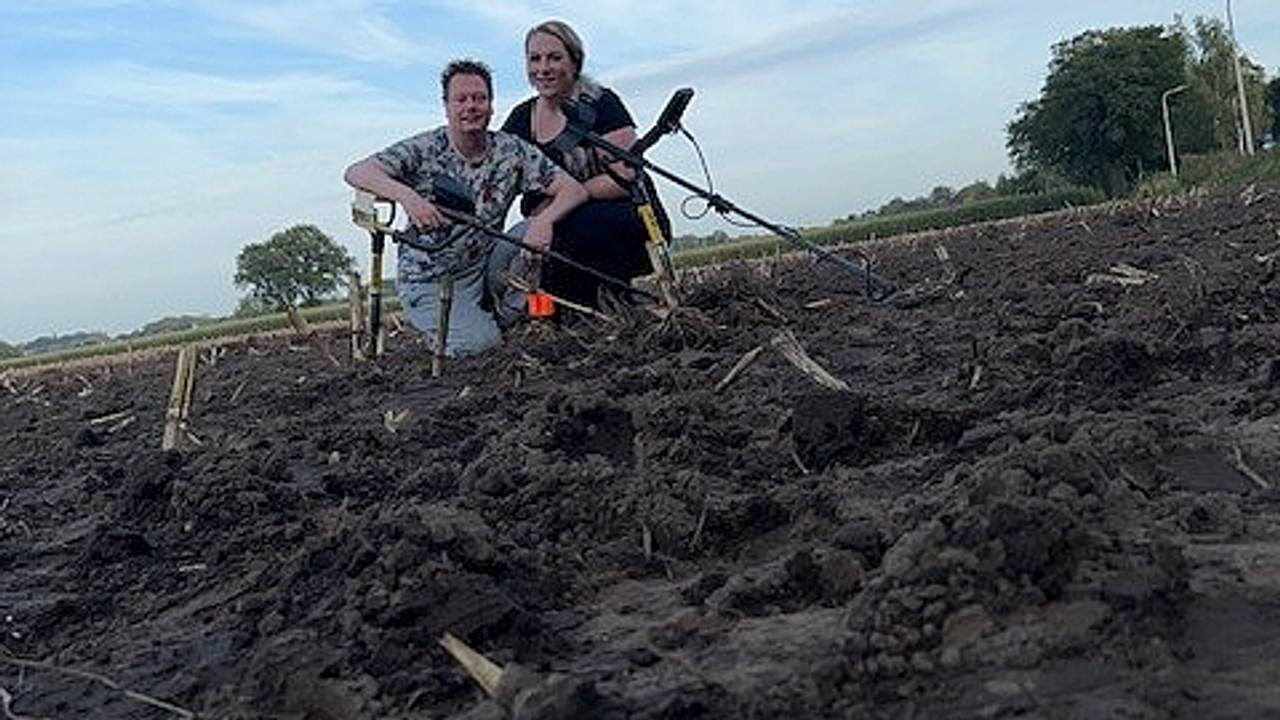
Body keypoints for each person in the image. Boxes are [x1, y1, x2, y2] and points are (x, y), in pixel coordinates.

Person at [344, 59, 587, 356]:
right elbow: (357, 172)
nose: (470, 106)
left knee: (532, 231)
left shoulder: (511, 150)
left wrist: (544, 220)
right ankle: (460, 332)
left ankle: (501, 317)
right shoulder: (425, 148)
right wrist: (409, 198)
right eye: (461, 99)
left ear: (491, 105)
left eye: (479, 98)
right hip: (431, 279)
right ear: (446, 106)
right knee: (479, 346)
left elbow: (572, 190)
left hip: (484, 266)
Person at [501, 20, 662, 309]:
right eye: (535, 59)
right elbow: (496, 174)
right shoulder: (520, 119)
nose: (543, 68)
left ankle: (615, 304)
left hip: (626, 218)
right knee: (526, 253)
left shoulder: (602, 103)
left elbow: (624, 177)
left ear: (575, 61)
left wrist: (565, 200)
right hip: (549, 226)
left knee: (583, 225)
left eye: (554, 57)